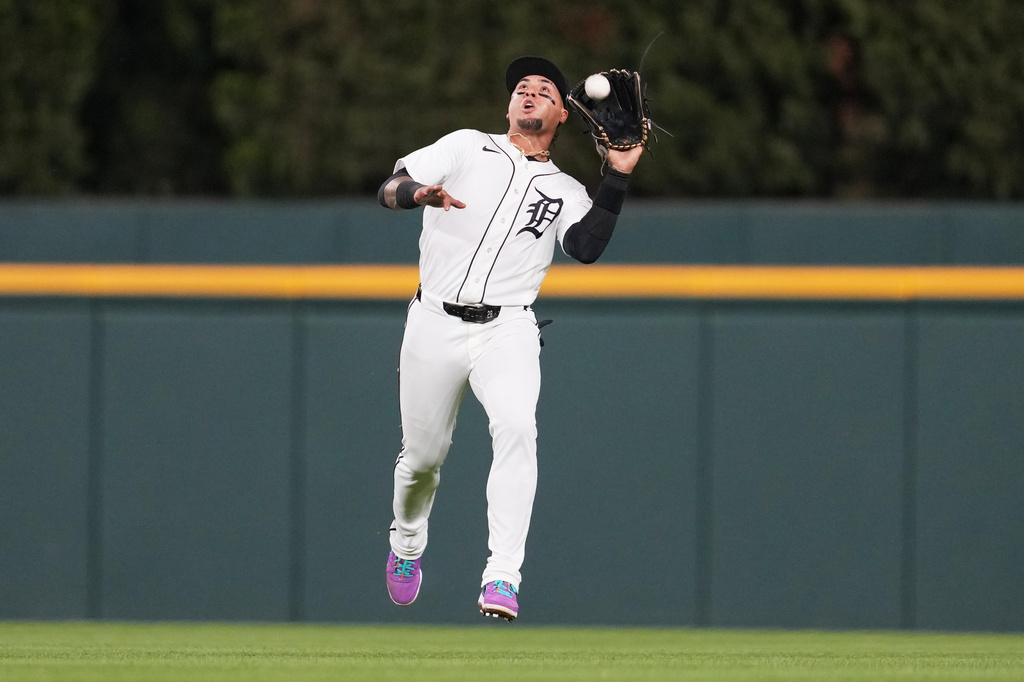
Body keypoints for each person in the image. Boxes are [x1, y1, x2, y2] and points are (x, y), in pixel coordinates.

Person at [377, 55, 644, 621]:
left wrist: (617, 176)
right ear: (508, 105)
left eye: (544, 90)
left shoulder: (565, 189)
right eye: (521, 88)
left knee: (518, 427)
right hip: (433, 320)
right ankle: (406, 544)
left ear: (563, 114)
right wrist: (418, 194)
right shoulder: (466, 146)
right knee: (423, 459)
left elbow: (587, 247)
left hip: (509, 326)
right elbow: (390, 187)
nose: (529, 94)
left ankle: (502, 576)